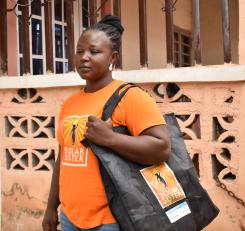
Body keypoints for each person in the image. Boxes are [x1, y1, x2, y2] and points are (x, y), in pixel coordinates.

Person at [42, 14, 171, 231]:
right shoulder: (70, 103)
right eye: (79, 51)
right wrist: (51, 207)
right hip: (69, 217)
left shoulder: (129, 96)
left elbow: (162, 148)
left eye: (94, 51)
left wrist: (111, 139)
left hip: (110, 219)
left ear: (113, 57)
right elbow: (62, 158)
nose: (84, 57)